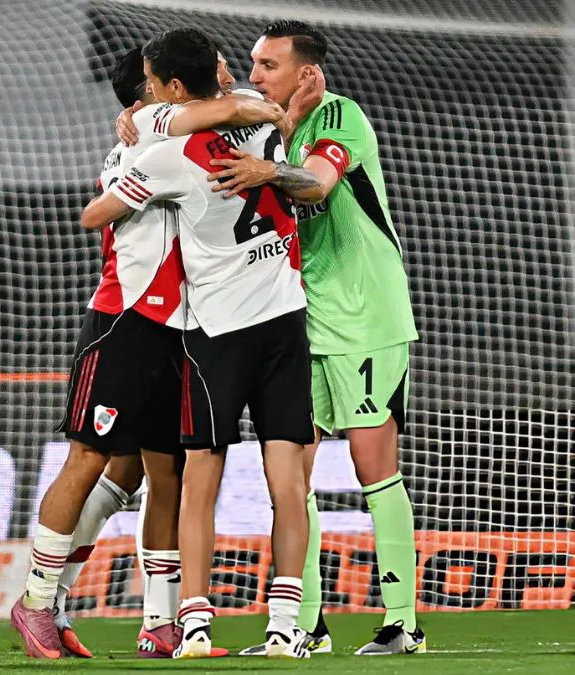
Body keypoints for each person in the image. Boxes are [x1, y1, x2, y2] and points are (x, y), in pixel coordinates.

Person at [83, 27, 322, 659]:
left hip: (213, 330)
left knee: (199, 483)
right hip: (282, 317)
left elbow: (93, 215)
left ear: (169, 88)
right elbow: (287, 152)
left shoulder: (165, 152)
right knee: (288, 481)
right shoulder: (260, 116)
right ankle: (285, 627)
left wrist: (136, 174)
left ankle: (192, 626)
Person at [209, 19, 424, 656]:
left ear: (306, 72)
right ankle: (304, 625)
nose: (255, 75)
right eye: (253, 63)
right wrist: (134, 116)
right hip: (299, 320)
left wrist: (268, 169)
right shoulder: (269, 123)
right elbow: (190, 108)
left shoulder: (339, 117)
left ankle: (402, 623)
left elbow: (318, 184)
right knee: (290, 470)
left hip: (364, 315)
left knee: (372, 466)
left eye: (268, 65)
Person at [52, 44, 262, 660]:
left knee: (143, 471)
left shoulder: (162, 127)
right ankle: (49, 597)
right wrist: (268, 109)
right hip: (136, 319)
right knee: (116, 464)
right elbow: (94, 213)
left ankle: (155, 622)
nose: (228, 75)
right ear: (156, 92)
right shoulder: (157, 132)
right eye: (218, 65)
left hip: (176, 323)